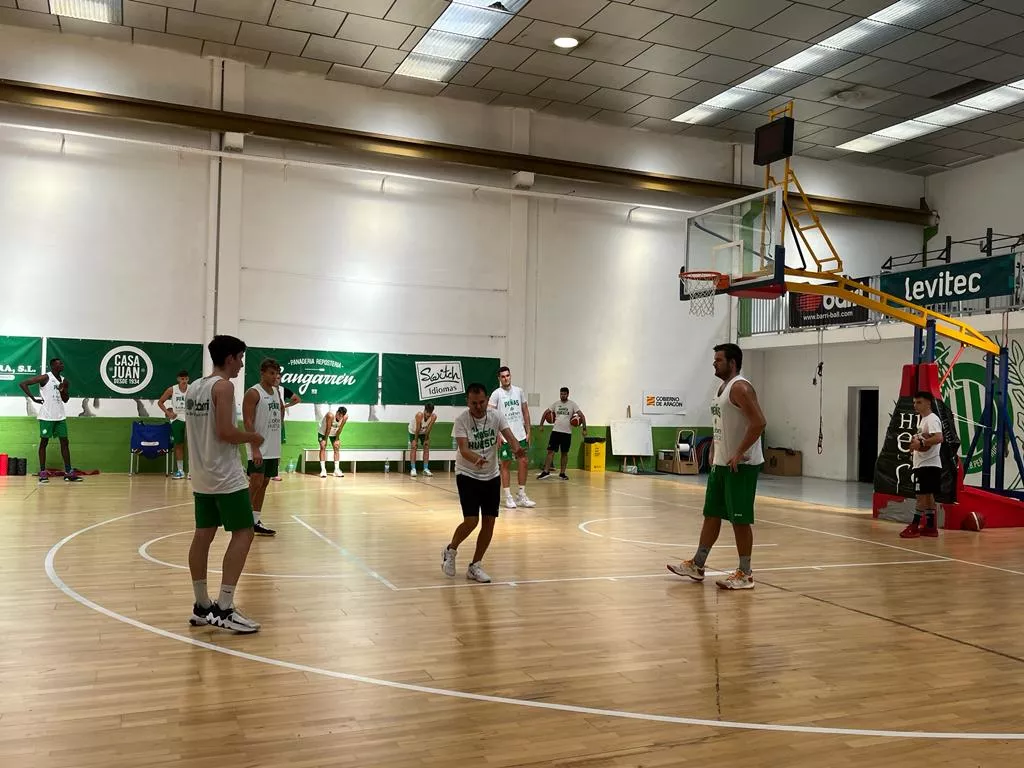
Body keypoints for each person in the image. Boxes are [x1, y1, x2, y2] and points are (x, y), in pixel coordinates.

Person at [668, 343, 766, 590]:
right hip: (721, 463)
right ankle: (698, 564)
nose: (714, 363)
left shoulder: (741, 387)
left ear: (732, 363)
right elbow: (723, 424)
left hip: (740, 465)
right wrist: (715, 448)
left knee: (739, 519)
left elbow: (759, 422)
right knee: (711, 514)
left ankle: (746, 574)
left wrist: (739, 452)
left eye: (719, 360)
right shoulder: (722, 388)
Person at [186, 335, 265, 634]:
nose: (242, 364)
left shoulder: (195, 386)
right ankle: (225, 607)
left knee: (202, 536)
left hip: (202, 476)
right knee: (244, 533)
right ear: (230, 357)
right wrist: (252, 437)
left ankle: (201, 605)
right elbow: (224, 432)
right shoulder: (224, 386)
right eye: (241, 358)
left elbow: (195, 432)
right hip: (225, 476)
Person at [442, 383, 526, 583]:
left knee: (489, 522)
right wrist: (475, 459)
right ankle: (450, 550)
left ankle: (475, 565)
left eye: (481, 402)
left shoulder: (496, 416)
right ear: (467, 402)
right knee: (472, 521)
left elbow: (509, 436)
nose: (478, 407)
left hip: (491, 474)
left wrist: (517, 449)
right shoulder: (462, 420)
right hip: (467, 473)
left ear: (487, 400)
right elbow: (463, 449)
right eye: (474, 403)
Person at [20, 357, 81, 484]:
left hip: (60, 416)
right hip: (46, 416)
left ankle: (68, 472)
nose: (62, 365)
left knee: (65, 442)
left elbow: (65, 399)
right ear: (53, 366)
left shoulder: (64, 381)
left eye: (62, 363)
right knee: (44, 442)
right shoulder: (45, 378)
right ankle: (42, 472)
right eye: (60, 364)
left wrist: (62, 390)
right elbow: (23, 383)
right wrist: (33, 398)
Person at [243, 358, 283, 537]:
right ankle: (241, 519)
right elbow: (247, 422)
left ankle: (255, 520)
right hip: (258, 446)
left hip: (272, 446)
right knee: (256, 482)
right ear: (263, 373)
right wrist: (255, 448)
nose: (275, 376)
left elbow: (280, 413)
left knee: (265, 482)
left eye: (277, 373)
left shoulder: (276, 391)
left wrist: (280, 398)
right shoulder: (253, 392)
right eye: (271, 373)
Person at [489, 366, 535, 509]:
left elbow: (525, 411)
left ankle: (521, 494)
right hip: (505, 435)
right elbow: (491, 416)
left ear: (510, 376)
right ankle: (508, 497)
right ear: (499, 378)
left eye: (507, 375)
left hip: (520, 434)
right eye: (503, 376)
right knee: (505, 464)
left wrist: (528, 430)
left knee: (523, 462)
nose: (506, 378)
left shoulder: (519, 391)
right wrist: (497, 434)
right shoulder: (496, 394)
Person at [901, 391, 944, 539]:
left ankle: (914, 526)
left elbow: (939, 438)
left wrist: (921, 442)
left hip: (927, 465)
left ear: (928, 403)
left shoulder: (931, 419)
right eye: (914, 402)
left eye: (919, 402)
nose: (915, 405)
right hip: (927, 464)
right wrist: (915, 442)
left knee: (920, 496)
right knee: (928, 495)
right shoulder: (923, 420)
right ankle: (931, 527)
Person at [538, 387, 586, 480]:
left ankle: (562, 473)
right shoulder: (556, 404)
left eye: (564, 394)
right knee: (550, 451)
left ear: (568, 394)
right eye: (561, 394)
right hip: (555, 431)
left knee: (564, 453)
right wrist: (541, 424)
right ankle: (545, 471)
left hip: (567, 433)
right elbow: (545, 413)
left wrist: (584, 429)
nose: (562, 395)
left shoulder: (572, 405)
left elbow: (582, 416)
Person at [158, 369, 190, 479]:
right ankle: (180, 471)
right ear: (178, 379)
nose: (184, 381)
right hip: (177, 419)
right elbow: (160, 402)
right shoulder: (172, 390)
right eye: (182, 379)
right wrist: (168, 412)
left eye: (186, 379)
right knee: (178, 445)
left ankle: (191, 471)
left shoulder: (192, 389)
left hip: (190, 419)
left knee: (192, 446)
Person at [271, 374, 300, 482]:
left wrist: (285, 406)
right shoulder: (264, 390)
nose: (276, 379)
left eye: (278, 378)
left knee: (277, 448)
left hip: (278, 423)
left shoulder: (283, 390)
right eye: (274, 377)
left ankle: (275, 472)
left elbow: (297, 399)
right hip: (266, 422)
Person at [318, 406, 348, 478]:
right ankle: (323, 470)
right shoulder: (330, 415)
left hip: (334, 433)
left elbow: (340, 428)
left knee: (336, 447)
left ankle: (336, 470)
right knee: (323, 447)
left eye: (342, 416)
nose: (340, 417)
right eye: (339, 414)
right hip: (323, 432)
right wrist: (325, 440)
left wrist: (337, 439)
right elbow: (328, 429)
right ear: (337, 412)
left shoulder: (345, 417)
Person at [408, 403, 437, 477]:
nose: (428, 414)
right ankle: (413, 469)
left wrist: (426, 439)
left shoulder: (433, 417)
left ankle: (425, 469)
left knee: (426, 446)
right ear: (424, 410)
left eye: (430, 412)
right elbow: (417, 429)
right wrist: (415, 440)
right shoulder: (419, 415)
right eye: (427, 412)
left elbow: (429, 429)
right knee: (414, 447)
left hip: (423, 432)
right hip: (413, 431)